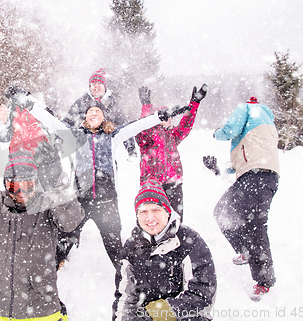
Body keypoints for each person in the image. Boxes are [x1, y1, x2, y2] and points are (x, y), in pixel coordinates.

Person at [6, 86, 189, 270]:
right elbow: (51, 121)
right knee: (64, 240)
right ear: (86, 117)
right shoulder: (75, 135)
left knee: (116, 249)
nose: (94, 113)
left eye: (98, 111)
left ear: (104, 117)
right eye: (90, 111)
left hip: (107, 202)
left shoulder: (113, 136)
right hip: (80, 201)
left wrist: (159, 116)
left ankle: (127, 282)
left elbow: (136, 126)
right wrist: (26, 102)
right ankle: (49, 275)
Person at [0, 150, 85, 321]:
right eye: (14, 187)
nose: (21, 193)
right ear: (6, 184)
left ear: (37, 183)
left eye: (28, 185)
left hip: (39, 305)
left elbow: (71, 222)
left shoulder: (47, 203)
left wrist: (58, 185)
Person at [204, 96, 280, 302]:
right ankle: (246, 251)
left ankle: (264, 281)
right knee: (224, 212)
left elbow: (229, 129)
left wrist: (216, 133)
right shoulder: (264, 128)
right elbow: (243, 162)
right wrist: (217, 168)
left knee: (254, 226)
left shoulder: (248, 109)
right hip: (261, 178)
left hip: (257, 177)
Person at [112, 180, 217, 321]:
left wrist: (156, 314)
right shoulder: (131, 247)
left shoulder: (188, 241)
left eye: (156, 209)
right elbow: (125, 298)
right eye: (143, 211)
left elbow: (202, 295)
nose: (150, 217)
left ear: (167, 212)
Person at [136, 84, 207, 221]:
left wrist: (194, 104)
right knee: (153, 220)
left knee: (176, 220)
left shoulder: (173, 135)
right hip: (152, 185)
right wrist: (146, 107)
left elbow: (185, 125)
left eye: (170, 117)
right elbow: (141, 131)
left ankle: (177, 240)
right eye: (164, 116)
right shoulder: (147, 136)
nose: (168, 119)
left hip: (174, 183)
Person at [63, 68, 137, 159]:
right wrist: (58, 141)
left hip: (106, 146)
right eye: (94, 83)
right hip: (85, 146)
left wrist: (131, 148)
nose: (96, 86)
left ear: (105, 86)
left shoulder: (113, 104)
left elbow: (124, 126)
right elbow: (67, 122)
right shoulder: (81, 102)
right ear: (90, 86)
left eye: (100, 83)